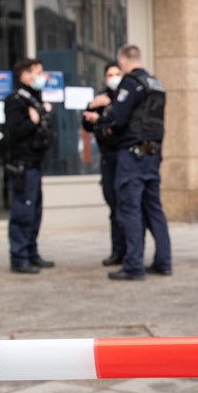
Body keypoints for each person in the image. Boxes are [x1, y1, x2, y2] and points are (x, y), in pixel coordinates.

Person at [98, 44, 172, 281]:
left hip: (133, 154)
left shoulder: (131, 83)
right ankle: (163, 261)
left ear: (122, 61)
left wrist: (102, 119)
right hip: (152, 153)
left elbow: (118, 118)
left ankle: (133, 265)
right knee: (154, 209)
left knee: (129, 209)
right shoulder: (156, 84)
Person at [4, 58, 55, 274]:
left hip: (34, 163)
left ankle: (32, 253)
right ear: (25, 75)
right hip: (22, 165)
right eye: (37, 72)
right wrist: (31, 122)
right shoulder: (16, 100)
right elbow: (13, 133)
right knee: (23, 213)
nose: (42, 77)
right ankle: (20, 258)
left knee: (34, 213)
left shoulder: (34, 99)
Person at [82, 61, 128, 266]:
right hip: (108, 158)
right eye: (110, 74)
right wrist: (91, 107)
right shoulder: (101, 98)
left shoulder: (126, 98)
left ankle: (131, 251)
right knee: (114, 206)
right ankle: (117, 250)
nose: (114, 77)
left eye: (117, 73)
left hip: (124, 158)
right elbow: (87, 124)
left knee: (127, 207)